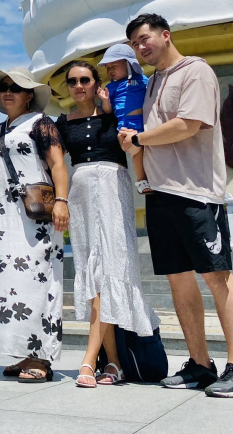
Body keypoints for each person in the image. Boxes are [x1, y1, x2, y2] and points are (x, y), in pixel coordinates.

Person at [119, 13, 233, 398]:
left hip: (196, 192)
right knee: (179, 280)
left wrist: (139, 140)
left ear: (166, 36)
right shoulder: (153, 84)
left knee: (217, 277)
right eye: (134, 43)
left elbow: (189, 124)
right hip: (161, 194)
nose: (140, 46)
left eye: (145, 38)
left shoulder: (194, 71)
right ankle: (201, 364)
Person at [58, 60, 158, 388]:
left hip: (113, 185)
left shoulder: (115, 115)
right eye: (72, 81)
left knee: (111, 267)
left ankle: (89, 360)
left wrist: (108, 105)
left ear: (96, 82)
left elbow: (137, 137)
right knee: (93, 272)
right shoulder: (62, 122)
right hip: (81, 192)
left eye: (85, 79)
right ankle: (113, 361)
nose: (78, 86)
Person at [0, 67, 68, 383]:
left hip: (36, 218)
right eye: (4, 87)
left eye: (15, 87)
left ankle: (42, 358)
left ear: (28, 94)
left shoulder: (41, 124)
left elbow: (57, 163)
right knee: (9, 289)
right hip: (2, 219)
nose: (8, 91)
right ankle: (23, 353)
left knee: (40, 282)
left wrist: (62, 200)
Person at [98, 43, 152, 191]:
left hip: (147, 123)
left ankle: (154, 178)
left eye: (113, 66)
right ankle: (142, 180)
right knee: (137, 151)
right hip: (126, 125)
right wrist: (105, 100)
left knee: (152, 150)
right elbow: (108, 110)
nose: (110, 71)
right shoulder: (111, 87)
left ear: (128, 64)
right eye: (107, 68)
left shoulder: (143, 79)